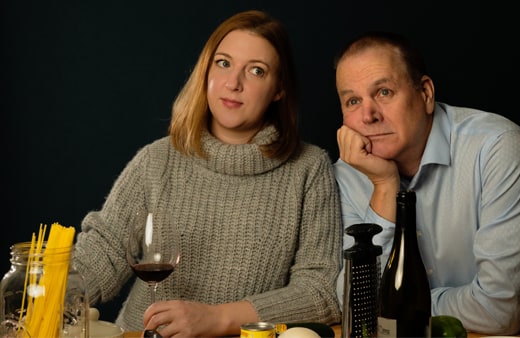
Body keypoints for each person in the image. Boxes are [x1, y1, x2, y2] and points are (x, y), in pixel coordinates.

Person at [71, 10, 342, 337]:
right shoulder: (159, 159)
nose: (233, 83)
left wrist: (218, 319)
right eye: (224, 63)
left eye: (256, 71)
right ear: (206, 70)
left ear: (279, 89)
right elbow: (103, 251)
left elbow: (320, 290)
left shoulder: (309, 169)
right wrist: (43, 292)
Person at [333, 31, 520, 337]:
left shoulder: (497, 147)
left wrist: (396, 305)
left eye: (384, 92)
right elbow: (350, 300)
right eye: (352, 100)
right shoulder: (349, 172)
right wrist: (385, 186)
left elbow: (500, 311)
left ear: (426, 94)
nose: (368, 115)